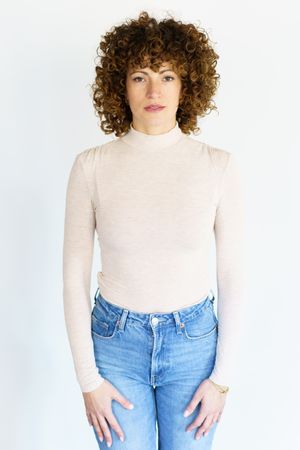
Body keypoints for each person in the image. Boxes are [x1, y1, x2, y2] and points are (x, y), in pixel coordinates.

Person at [62, 10, 246, 450]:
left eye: (167, 75)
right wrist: (88, 380)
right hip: (115, 344)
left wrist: (221, 380)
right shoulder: (91, 166)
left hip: (193, 345)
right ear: (120, 86)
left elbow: (234, 275)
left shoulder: (217, 166)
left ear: (187, 85)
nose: (154, 90)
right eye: (139, 76)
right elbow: (72, 277)